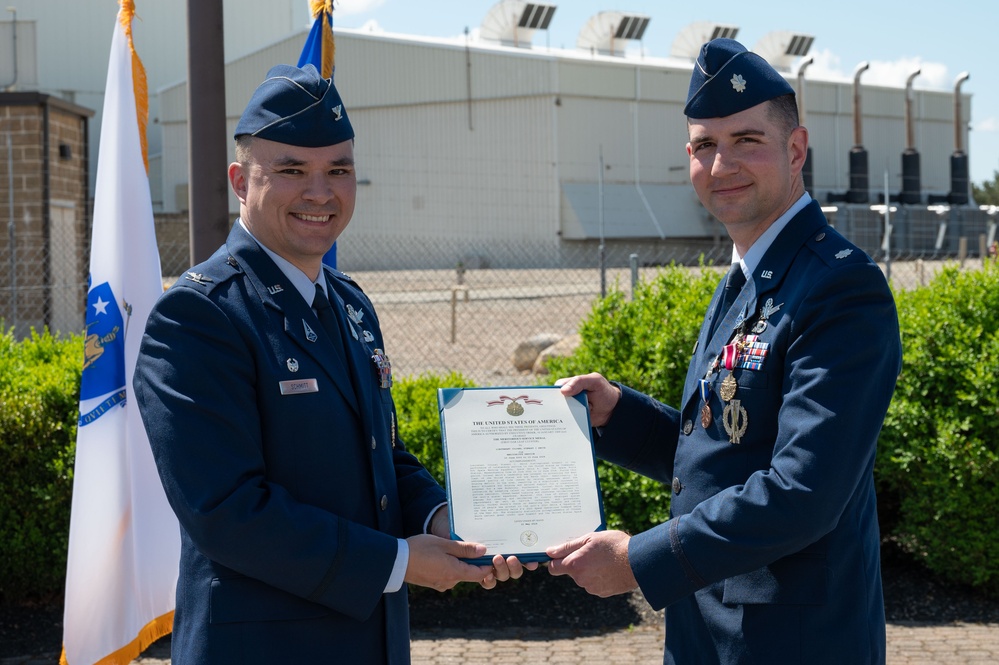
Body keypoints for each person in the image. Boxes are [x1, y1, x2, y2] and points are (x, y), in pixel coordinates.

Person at [133, 64, 529, 665]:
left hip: (371, 642)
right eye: (291, 170)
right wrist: (399, 562)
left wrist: (446, 517)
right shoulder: (199, 317)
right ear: (241, 181)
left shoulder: (348, 303)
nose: (320, 192)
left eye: (338, 170)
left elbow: (380, 453)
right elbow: (228, 512)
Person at [546, 38, 902, 664]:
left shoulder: (839, 287)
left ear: (795, 150)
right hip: (708, 632)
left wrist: (639, 562)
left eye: (746, 141)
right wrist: (618, 415)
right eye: (703, 145)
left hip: (793, 643)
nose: (721, 165)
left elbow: (803, 493)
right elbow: (726, 451)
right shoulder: (748, 276)